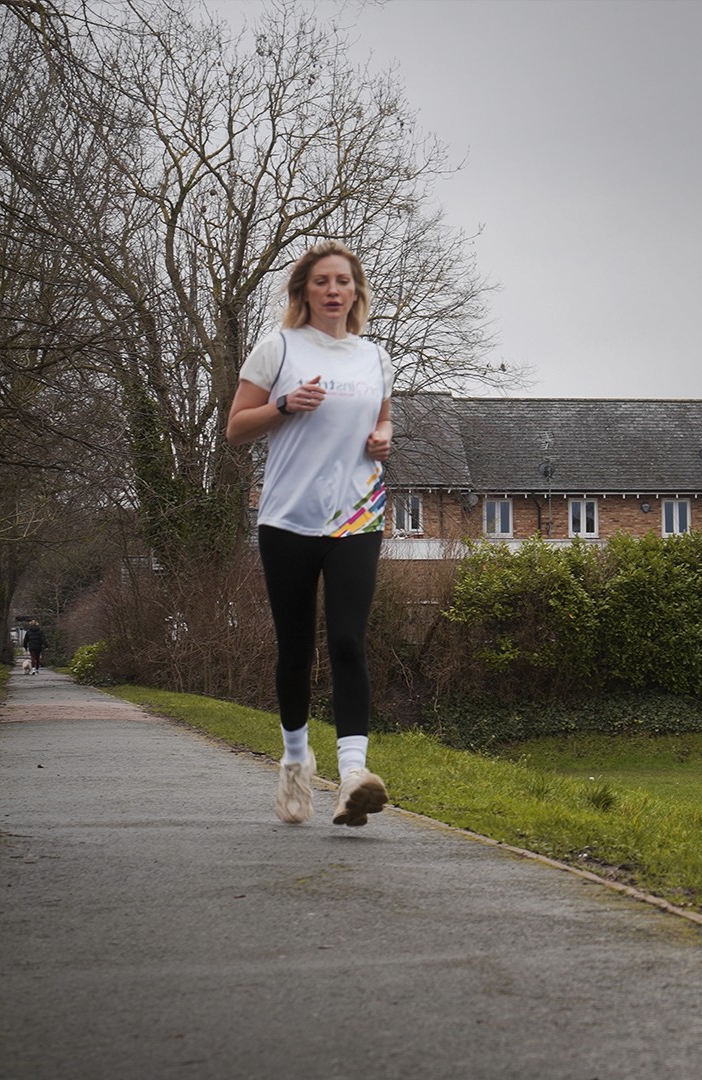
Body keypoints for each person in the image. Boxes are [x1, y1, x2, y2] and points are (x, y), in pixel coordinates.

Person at [225, 240, 394, 828]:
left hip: (357, 515)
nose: (332, 290)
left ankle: (353, 775)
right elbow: (236, 428)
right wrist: (285, 405)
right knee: (295, 649)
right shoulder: (280, 348)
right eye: (321, 281)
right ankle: (296, 762)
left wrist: (383, 438)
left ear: (355, 292)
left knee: (348, 641)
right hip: (289, 517)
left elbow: (381, 418)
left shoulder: (374, 357)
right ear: (304, 291)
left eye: (342, 281)